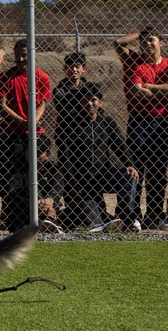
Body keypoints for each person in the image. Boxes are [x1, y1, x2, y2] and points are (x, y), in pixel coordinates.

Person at [113, 26, 168, 231]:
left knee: (158, 170)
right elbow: (137, 92)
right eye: (143, 40)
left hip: (163, 121)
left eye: (152, 40)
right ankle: (132, 215)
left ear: (162, 43)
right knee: (135, 169)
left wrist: (150, 87)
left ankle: (154, 214)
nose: (147, 43)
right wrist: (138, 32)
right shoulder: (134, 61)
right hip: (139, 121)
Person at [53, 83, 137, 232]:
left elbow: (120, 145)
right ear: (80, 102)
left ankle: (125, 219)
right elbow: (64, 157)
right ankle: (60, 220)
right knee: (92, 218)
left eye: (93, 100)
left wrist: (129, 164)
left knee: (129, 177)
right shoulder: (69, 125)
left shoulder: (107, 123)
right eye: (85, 100)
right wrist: (73, 183)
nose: (89, 104)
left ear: (100, 102)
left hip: (102, 175)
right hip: (80, 181)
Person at [0, 39, 52, 232]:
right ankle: (15, 221)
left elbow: (42, 103)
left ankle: (38, 213)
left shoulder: (41, 77)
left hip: (35, 132)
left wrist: (33, 121)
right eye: (18, 55)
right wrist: (22, 121)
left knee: (37, 167)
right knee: (14, 178)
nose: (21, 59)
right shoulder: (7, 77)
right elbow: (1, 105)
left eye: (25, 55)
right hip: (12, 133)